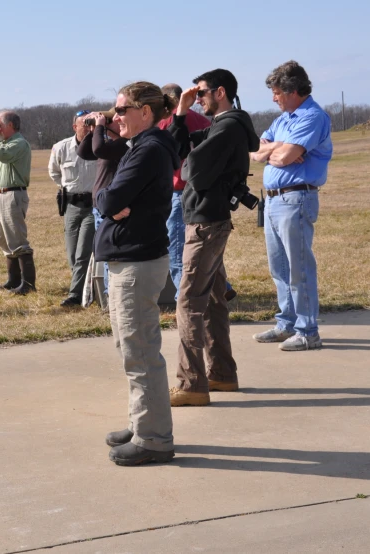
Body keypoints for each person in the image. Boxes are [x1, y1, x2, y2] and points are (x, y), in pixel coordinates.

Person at [95, 82, 180, 466]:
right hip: (129, 260)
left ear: (145, 111)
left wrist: (110, 202)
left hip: (137, 263)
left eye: (121, 110)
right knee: (130, 349)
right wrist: (109, 201)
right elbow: (106, 198)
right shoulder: (141, 148)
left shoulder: (148, 150)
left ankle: (155, 439)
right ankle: (141, 422)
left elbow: (108, 198)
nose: (115, 118)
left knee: (141, 352)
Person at [167, 69, 259, 407]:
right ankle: (221, 373)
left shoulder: (229, 125)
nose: (198, 98)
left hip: (206, 223)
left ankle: (191, 383)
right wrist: (180, 112)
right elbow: (177, 149)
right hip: (208, 219)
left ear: (220, 92)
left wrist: (191, 160)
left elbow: (191, 169)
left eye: (202, 93)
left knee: (189, 302)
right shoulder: (221, 125)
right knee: (215, 299)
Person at [250, 61, 332, 351]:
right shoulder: (284, 119)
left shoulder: (312, 116)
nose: (273, 98)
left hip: (296, 198)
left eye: (276, 92)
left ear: (292, 90)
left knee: (298, 268)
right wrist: (278, 147)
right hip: (273, 200)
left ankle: (308, 331)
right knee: (280, 268)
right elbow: (257, 151)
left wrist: (279, 150)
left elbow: (285, 158)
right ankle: (287, 324)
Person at [158, 83, 237, 303]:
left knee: (177, 251)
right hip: (202, 191)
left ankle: (183, 300)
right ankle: (220, 289)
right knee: (204, 248)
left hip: (178, 192)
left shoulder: (167, 122)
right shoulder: (204, 120)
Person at [77, 108, 129, 308]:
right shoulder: (108, 144)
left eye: (113, 119)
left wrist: (99, 126)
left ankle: (112, 299)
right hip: (100, 208)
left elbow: (98, 150)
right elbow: (83, 152)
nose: (111, 121)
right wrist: (93, 130)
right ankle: (110, 300)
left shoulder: (124, 145)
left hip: (112, 208)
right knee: (106, 256)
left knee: (111, 257)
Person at [0, 111, 35, 295]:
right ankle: (14, 280)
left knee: (18, 239)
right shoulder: (3, 143)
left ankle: (28, 284)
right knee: (4, 239)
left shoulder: (19, 143)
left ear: (10, 125)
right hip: (0, 195)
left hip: (13, 195)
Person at [48, 110, 98, 307]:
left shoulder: (99, 146)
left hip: (92, 205)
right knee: (71, 253)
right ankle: (85, 285)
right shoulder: (61, 147)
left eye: (90, 124)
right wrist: (69, 188)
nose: (87, 127)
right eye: (83, 124)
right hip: (70, 205)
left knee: (83, 252)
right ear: (74, 127)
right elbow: (54, 173)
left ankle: (75, 295)